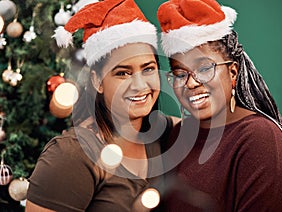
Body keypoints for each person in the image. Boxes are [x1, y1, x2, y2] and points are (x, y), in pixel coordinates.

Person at [25, 0, 179, 211]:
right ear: (97, 81)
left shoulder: (165, 133)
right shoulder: (71, 155)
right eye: (122, 73)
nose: (140, 85)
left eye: (148, 69)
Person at [156, 0, 282, 211]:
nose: (191, 82)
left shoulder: (259, 139)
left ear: (233, 72)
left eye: (204, 68)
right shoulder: (177, 136)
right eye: (179, 74)